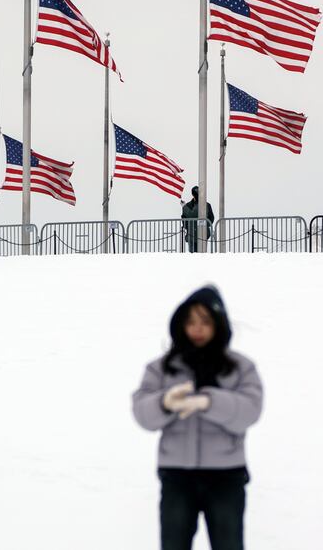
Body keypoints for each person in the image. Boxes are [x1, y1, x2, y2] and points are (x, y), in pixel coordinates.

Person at [132, 286, 263, 550]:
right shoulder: (161, 368)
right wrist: (164, 403)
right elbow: (142, 414)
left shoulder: (240, 367)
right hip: (177, 477)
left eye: (205, 321)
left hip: (226, 477)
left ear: (218, 325)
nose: (197, 329)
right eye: (190, 322)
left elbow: (250, 410)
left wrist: (209, 402)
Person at [181, 186, 214, 253]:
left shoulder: (206, 205)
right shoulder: (189, 205)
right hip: (192, 235)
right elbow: (184, 218)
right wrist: (188, 227)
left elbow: (211, 218)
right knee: (193, 256)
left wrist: (204, 224)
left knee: (202, 255)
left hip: (202, 234)